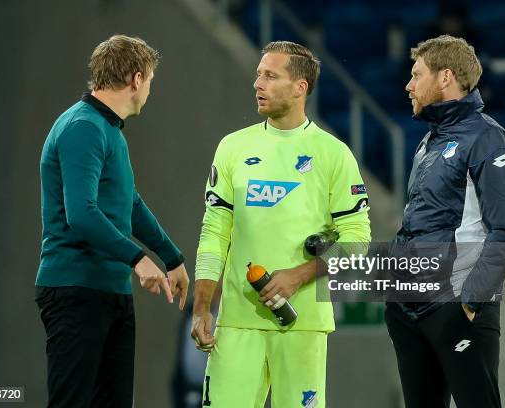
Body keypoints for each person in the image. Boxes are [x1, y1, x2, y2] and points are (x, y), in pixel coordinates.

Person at [191, 41, 371, 407]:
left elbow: (358, 241)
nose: (258, 84)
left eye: (270, 76)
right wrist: (201, 306)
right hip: (237, 323)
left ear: (300, 87)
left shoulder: (333, 154)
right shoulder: (232, 148)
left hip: (303, 324)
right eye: (259, 74)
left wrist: (298, 275)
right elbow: (213, 233)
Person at [35, 34, 189, 408]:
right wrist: (139, 259)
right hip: (76, 290)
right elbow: (82, 214)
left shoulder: (109, 131)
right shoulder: (83, 127)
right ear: (136, 79)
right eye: (150, 81)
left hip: (110, 291)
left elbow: (128, 204)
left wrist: (173, 258)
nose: (149, 90)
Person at [385, 35, 505, 408]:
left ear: (445, 76)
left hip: (456, 306)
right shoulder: (428, 143)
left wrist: (470, 301)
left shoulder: (488, 140)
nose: (408, 85)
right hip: (409, 308)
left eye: (416, 75)